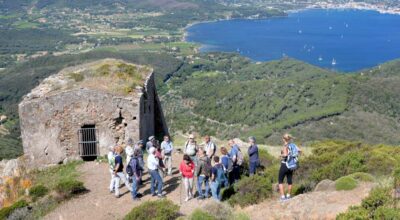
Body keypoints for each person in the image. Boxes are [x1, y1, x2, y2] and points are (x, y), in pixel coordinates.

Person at [278, 134, 301, 201]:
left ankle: (282, 197)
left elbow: (285, 155)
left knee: (280, 181)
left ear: (284, 139)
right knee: (289, 181)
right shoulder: (293, 145)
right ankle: (288, 195)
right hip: (291, 165)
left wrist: (280, 155)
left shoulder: (285, 146)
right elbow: (299, 151)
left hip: (284, 164)